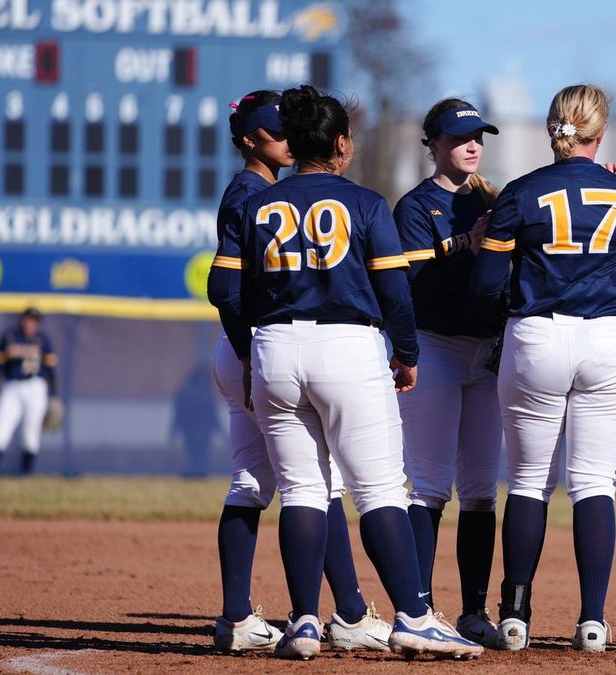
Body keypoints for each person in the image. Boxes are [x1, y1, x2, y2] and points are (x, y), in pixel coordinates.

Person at [213, 84, 483, 660]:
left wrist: (250, 349)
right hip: (347, 346)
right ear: (339, 143)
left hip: (275, 349)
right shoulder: (364, 203)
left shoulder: (259, 203)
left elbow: (224, 288)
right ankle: (413, 615)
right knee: (380, 488)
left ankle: (305, 624)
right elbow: (394, 290)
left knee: (304, 491)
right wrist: (406, 354)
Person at [206, 90, 393, 654]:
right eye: (272, 133)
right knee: (315, 482)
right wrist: (246, 355)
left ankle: (242, 618)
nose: (286, 141)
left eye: (286, 130)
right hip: (257, 349)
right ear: (248, 141)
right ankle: (349, 615)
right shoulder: (252, 192)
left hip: (262, 352)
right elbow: (225, 289)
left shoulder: (266, 191)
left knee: (269, 482)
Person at [470, 84, 616, 653]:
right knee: (593, 482)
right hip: (605, 337)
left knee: (528, 482)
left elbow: (486, 285)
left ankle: (514, 615)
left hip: (537, 335)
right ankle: (592, 621)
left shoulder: (520, 193)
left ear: (553, 128)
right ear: (600, 132)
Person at [393, 98, 505, 648]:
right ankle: (419, 609)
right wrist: (466, 240)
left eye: (478, 135)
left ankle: (475, 611)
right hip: (435, 347)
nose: (472, 144)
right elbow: (408, 276)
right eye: (460, 136)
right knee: (430, 484)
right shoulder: (415, 206)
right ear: (433, 143)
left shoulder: (493, 197)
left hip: (485, 352)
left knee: (482, 488)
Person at [0, 308, 57, 475]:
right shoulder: (9, 336)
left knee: (31, 433)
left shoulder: (42, 339)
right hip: (12, 386)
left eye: (34, 320)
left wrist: (53, 396)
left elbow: (50, 369)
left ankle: (26, 474)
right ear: (22, 319)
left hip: (35, 387)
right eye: (28, 319)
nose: (30, 323)